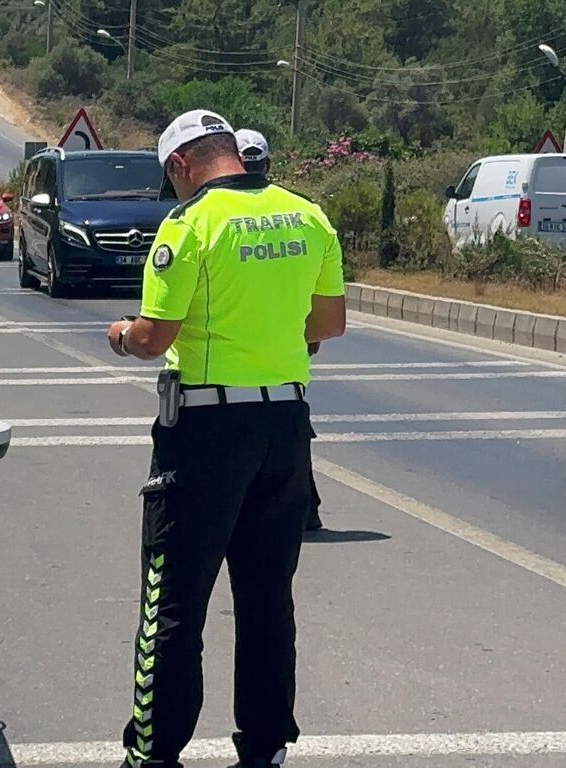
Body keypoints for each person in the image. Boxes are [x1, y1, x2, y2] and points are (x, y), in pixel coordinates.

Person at [105, 109, 346, 768]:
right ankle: (264, 749)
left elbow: (155, 339)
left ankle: (153, 754)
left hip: (206, 433)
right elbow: (328, 325)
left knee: (173, 601)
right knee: (268, 600)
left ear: (181, 164)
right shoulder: (307, 215)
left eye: (169, 178)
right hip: (286, 430)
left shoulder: (188, 227)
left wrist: (123, 334)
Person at [234, 127, 326, 533]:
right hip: (289, 347)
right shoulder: (302, 211)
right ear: (267, 165)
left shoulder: (213, 212)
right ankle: (304, 506)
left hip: (230, 353)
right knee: (289, 428)